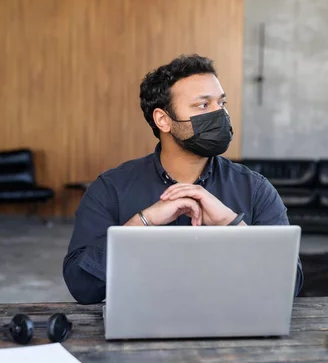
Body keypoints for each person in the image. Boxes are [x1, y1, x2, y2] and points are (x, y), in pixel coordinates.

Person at [63, 54, 304, 304]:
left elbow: (290, 285)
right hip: (142, 331)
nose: (219, 114)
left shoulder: (254, 189)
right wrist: (143, 223)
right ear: (163, 120)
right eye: (203, 105)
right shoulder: (111, 189)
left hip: (231, 330)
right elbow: (82, 286)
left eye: (221, 103)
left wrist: (231, 223)